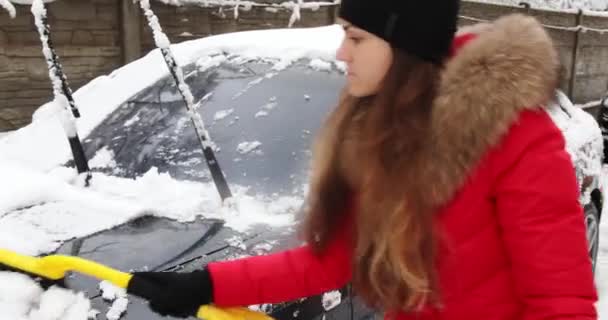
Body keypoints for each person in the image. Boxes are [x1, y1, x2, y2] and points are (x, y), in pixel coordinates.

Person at [126, 1, 599, 319]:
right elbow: (337, 260)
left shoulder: (518, 138)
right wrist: (207, 285)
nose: (340, 52)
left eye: (356, 37)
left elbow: (562, 301)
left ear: (402, 42)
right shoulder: (380, 132)